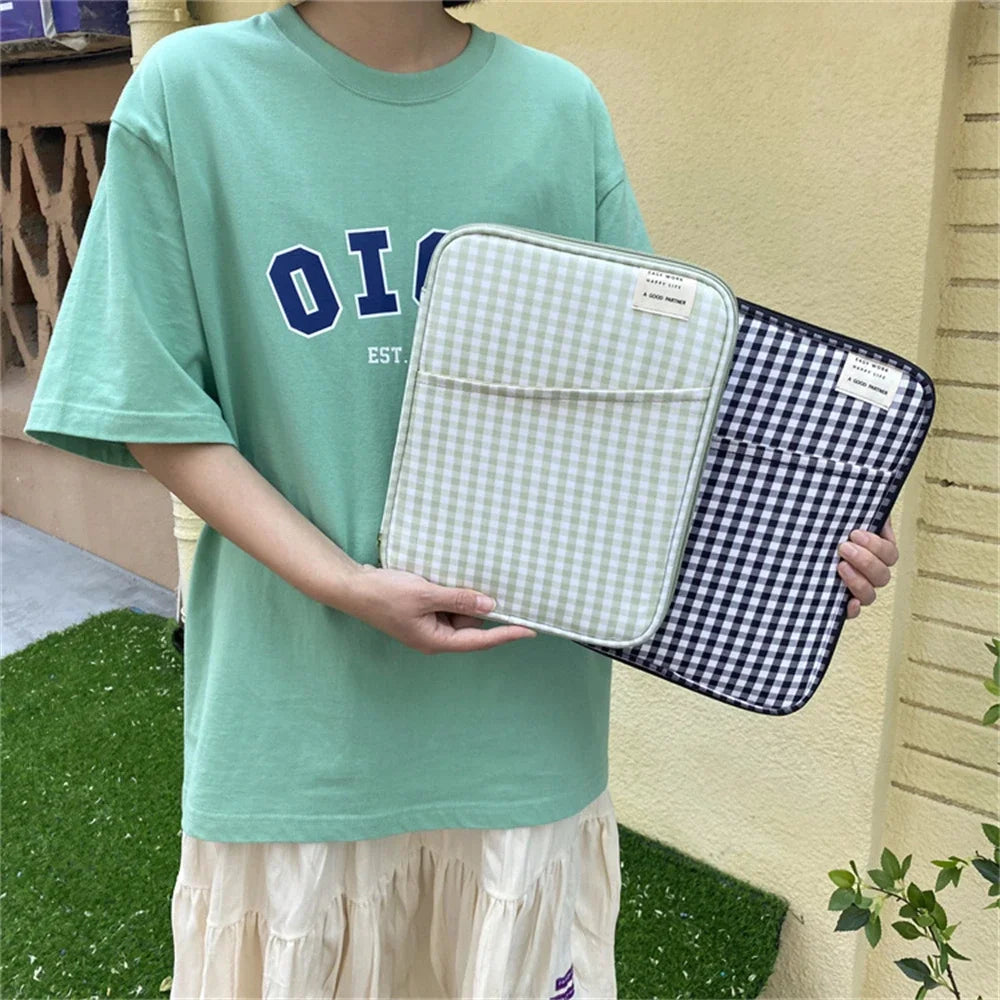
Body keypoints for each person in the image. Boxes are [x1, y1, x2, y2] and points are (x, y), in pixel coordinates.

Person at [23, 1, 899, 996]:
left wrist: (799, 550)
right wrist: (343, 581)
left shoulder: (558, 109)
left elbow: (652, 411)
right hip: (300, 729)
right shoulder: (192, 93)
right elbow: (151, 402)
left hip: (518, 736)